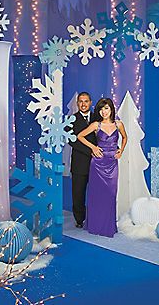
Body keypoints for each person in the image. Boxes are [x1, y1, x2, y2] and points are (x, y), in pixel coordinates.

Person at [77, 98, 127, 237]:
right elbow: (80, 136)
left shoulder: (118, 124)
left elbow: (125, 137)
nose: (104, 112)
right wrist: (93, 147)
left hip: (112, 162)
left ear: (111, 109)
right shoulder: (95, 125)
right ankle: (95, 225)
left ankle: (108, 226)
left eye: (106, 108)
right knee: (96, 195)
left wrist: (121, 151)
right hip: (98, 163)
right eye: (101, 109)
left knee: (111, 195)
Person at [69, 92, 97, 228]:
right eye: (80, 101)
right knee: (78, 194)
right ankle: (79, 220)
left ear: (91, 102)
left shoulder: (98, 119)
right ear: (77, 103)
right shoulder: (72, 120)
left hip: (97, 164)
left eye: (86, 101)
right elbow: (72, 141)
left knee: (96, 193)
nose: (83, 104)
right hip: (79, 164)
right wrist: (91, 150)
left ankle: (94, 218)